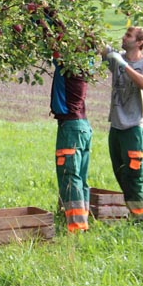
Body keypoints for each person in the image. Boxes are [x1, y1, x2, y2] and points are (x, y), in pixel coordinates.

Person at [103, 26, 143, 221]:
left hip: (133, 127)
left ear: (139, 42)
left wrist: (124, 66)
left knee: (134, 173)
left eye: (129, 35)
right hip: (116, 126)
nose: (124, 37)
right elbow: (98, 47)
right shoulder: (117, 56)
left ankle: (138, 219)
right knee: (121, 173)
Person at [50, 60, 92, 233]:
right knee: (79, 177)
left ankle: (76, 226)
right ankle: (78, 219)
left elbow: (53, 44)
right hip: (81, 126)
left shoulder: (71, 65)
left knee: (70, 176)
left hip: (72, 128)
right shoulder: (84, 64)